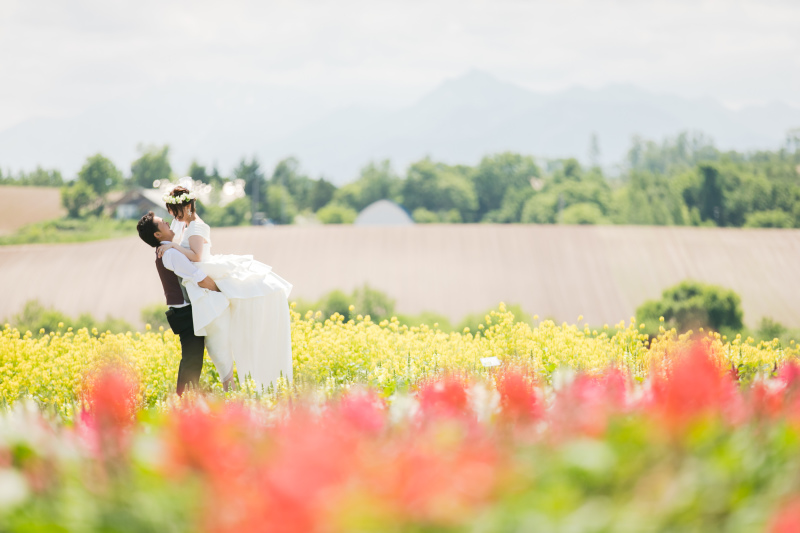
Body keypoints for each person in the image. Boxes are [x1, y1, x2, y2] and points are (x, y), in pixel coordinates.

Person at [155, 185, 294, 390]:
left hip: (204, 285)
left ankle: (231, 389)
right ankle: (231, 389)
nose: (171, 216)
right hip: (199, 287)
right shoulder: (188, 225)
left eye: (173, 211)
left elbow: (197, 257)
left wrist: (174, 246)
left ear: (184, 208)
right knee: (215, 347)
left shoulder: (195, 227)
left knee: (217, 346)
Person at [136, 212, 222, 395]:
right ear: (157, 235)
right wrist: (223, 292)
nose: (167, 223)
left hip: (181, 311)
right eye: (162, 223)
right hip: (184, 313)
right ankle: (184, 403)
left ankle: (185, 402)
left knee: (192, 358)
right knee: (192, 360)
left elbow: (177, 222)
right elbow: (198, 277)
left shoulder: (167, 249)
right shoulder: (171, 254)